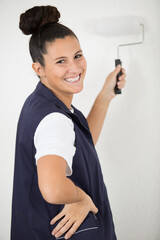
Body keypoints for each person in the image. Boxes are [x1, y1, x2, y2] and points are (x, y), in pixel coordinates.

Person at [10, 5, 126, 240]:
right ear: (39, 68)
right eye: (61, 61)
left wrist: (105, 96)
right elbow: (53, 188)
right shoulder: (55, 120)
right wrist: (81, 198)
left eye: (78, 55)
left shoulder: (40, 104)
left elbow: (80, 144)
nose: (75, 67)